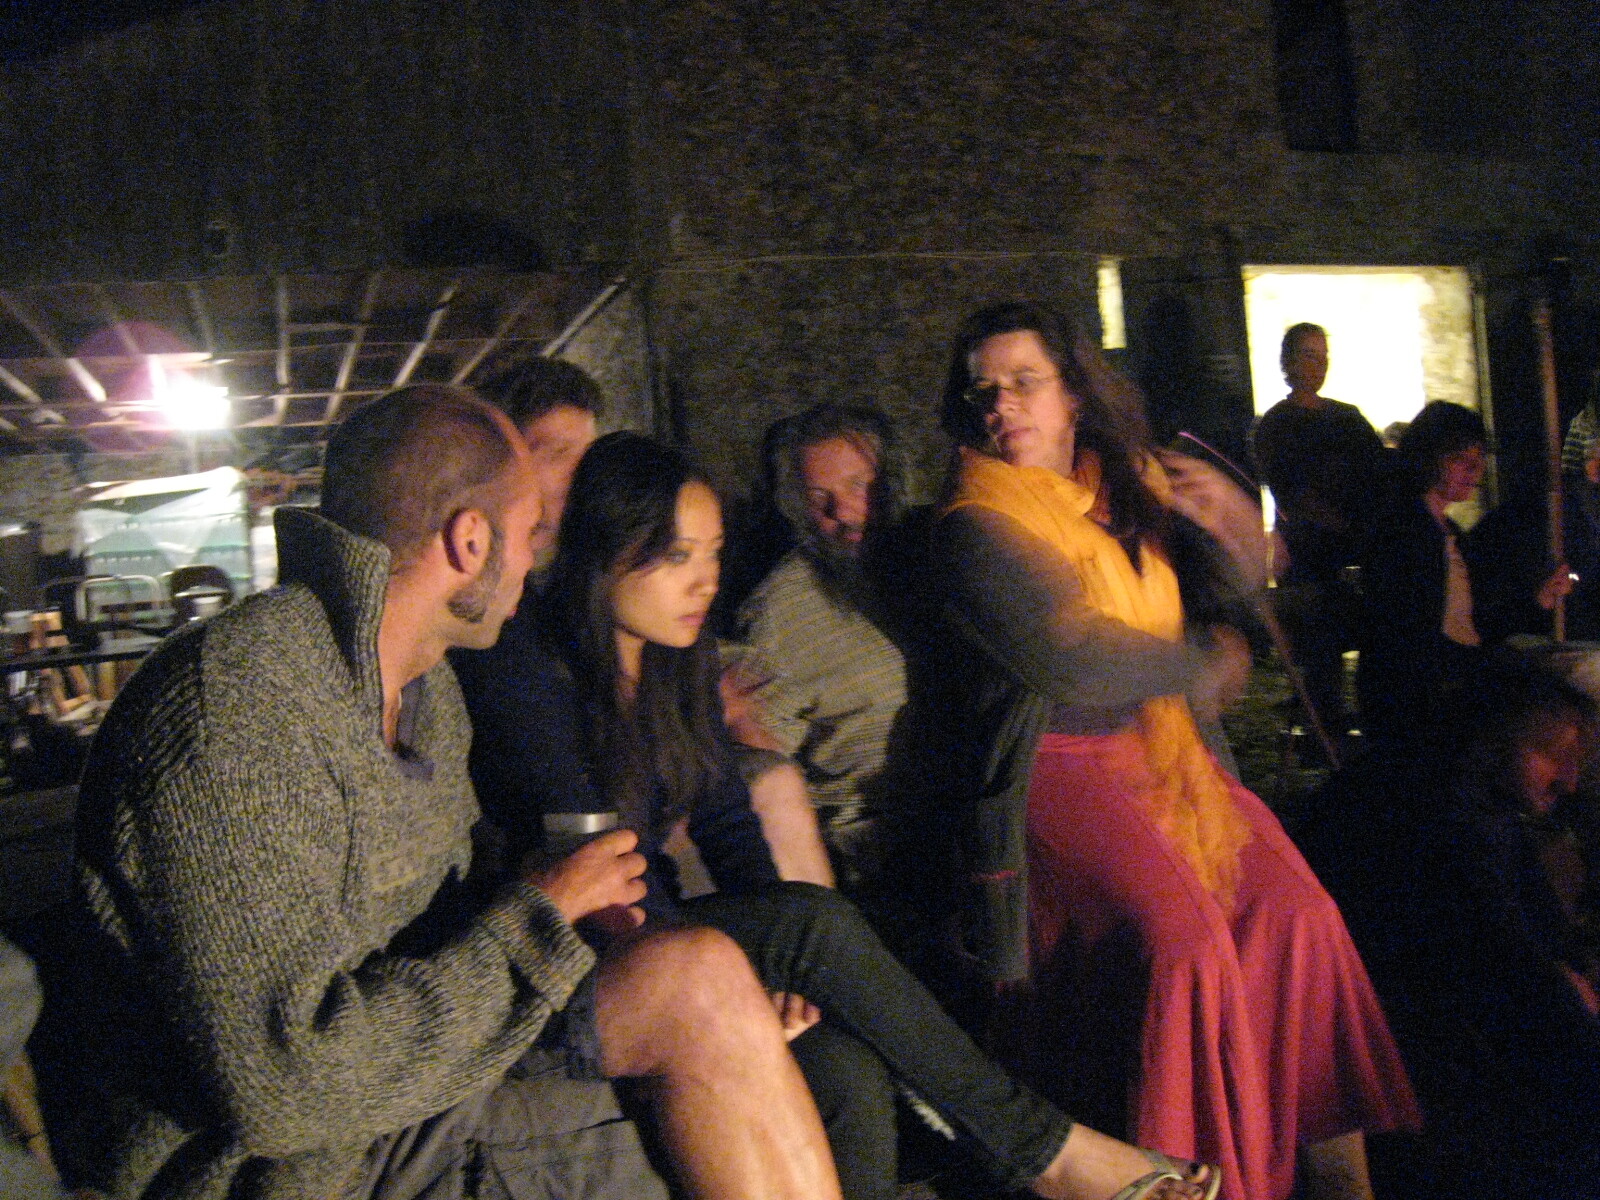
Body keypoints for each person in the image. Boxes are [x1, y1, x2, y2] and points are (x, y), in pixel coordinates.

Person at [37, 383, 845, 1200]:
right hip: (298, 1167)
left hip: (417, 1079)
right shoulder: (240, 709)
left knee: (717, 993)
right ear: (469, 541)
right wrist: (536, 917)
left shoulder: (426, 694)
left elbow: (442, 916)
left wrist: (564, 902)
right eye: (530, 535)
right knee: (719, 1104)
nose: (533, 564)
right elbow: (285, 1093)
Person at [453, 429, 1220, 1200]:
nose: (705, 580)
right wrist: (744, 971)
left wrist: (773, 970)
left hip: (671, 939)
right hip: (567, 954)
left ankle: (1021, 1152)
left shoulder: (676, 658)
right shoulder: (527, 666)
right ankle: (1045, 1152)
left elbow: (728, 821)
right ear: (608, 554)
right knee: (814, 924)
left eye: (714, 553)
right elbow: (593, 863)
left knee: (844, 1068)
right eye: (678, 556)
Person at [932, 301, 1418, 1200]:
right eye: (985, 389)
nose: (1002, 405)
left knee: (1300, 917)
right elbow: (1074, 656)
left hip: (1166, 754)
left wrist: (1236, 530)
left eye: (1025, 382)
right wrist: (1201, 665)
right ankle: (1201, 1181)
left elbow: (1245, 583)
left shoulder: (1125, 494)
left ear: (1075, 393)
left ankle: (1341, 1186)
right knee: (1185, 949)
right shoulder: (974, 525)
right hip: (1059, 767)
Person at [1302, 662, 1600, 1191]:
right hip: (1380, 1050)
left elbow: (1535, 921)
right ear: (1501, 730)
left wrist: (1571, 968)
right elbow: (1503, 965)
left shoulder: (1475, 792)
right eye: (1554, 756)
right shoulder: (1425, 808)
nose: (1570, 780)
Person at [729, 403, 927, 909]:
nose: (844, 511)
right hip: (884, 854)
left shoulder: (940, 560)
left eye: (860, 485)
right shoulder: (781, 612)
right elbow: (760, 764)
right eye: (820, 498)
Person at [1358, 401, 1569, 750]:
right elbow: (1411, 640)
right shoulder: (1403, 534)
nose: (1474, 469)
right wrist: (1484, 664)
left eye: (1479, 458)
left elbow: (1475, 625)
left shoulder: (1451, 534)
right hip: (1423, 695)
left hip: (1459, 673)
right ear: (1429, 458)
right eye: (1459, 459)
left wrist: (1539, 600)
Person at [1248, 323, 1385, 739]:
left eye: (1324, 356)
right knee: (1320, 644)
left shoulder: (1347, 419)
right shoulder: (1277, 425)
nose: (1319, 365)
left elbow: (1376, 473)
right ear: (1288, 362)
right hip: (1310, 554)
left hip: (1356, 549)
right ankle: (1326, 732)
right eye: (1310, 355)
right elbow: (1290, 490)